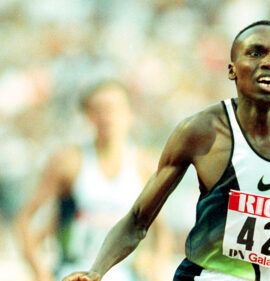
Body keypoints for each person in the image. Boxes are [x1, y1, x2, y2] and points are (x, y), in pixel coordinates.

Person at [62, 20, 270, 281]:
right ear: (231, 70)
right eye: (255, 53)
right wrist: (97, 270)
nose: (269, 62)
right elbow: (139, 219)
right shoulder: (200, 133)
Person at [15, 80, 167, 281]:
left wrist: (155, 268)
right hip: (74, 272)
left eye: (113, 108)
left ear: (129, 113)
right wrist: (40, 273)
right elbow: (26, 219)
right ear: (88, 116)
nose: (106, 117)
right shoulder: (68, 161)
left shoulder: (144, 165)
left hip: (126, 275)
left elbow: (162, 230)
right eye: (98, 110)